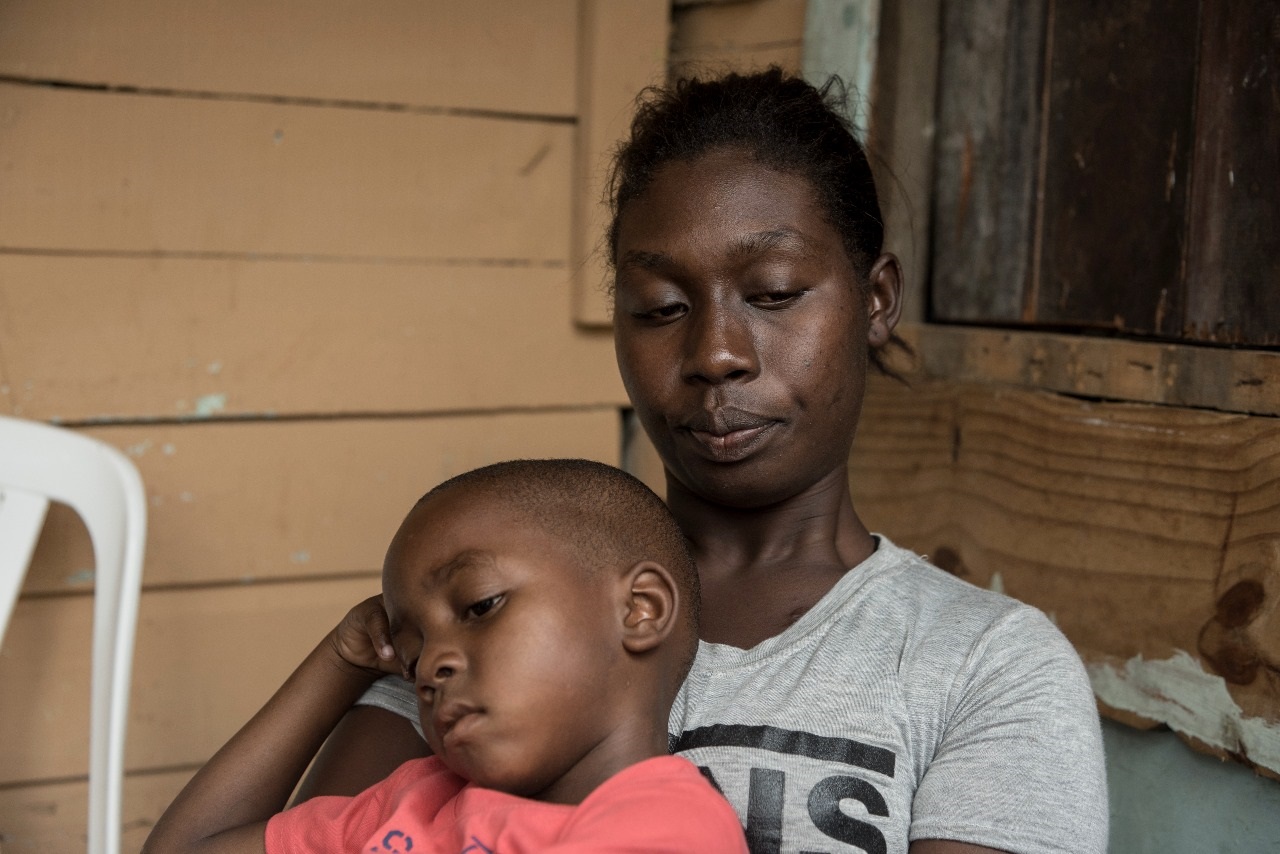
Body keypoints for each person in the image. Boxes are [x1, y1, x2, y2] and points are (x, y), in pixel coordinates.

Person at [297, 69, 1110, 853]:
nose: (716, 353)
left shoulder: (985, 666)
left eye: (774, 293)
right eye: (662, 309)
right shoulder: (490, 615)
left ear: (876, 299)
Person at [143, 459, 749, 854]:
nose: (432, 668)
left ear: (639, 608)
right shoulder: (415, 800)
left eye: (481, 606)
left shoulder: (665, 830)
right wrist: (339, 661)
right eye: (410, 658)